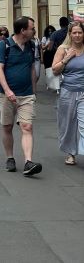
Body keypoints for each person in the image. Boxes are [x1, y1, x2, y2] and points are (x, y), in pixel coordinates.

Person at [0, 15, 42, 176]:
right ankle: (10, 157)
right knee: (7, 127)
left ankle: (28, 162)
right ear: (23, 30)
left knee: (27, 127)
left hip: (27, 94)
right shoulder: (5, 45)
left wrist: (34, 90)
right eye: (32, 28)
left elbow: (32, 68)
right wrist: (7, 90)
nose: (34, 31)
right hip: (6, 94)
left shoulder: (32, 45)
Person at [52, 21, 84, 166]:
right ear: (70, 34)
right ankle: (70, 153)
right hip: (67, 92)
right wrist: (66, 58)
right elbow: (55, 70)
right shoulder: (63, 49)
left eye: (80, 32)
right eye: (74, 32)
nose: (77, 35)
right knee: (68, 125)